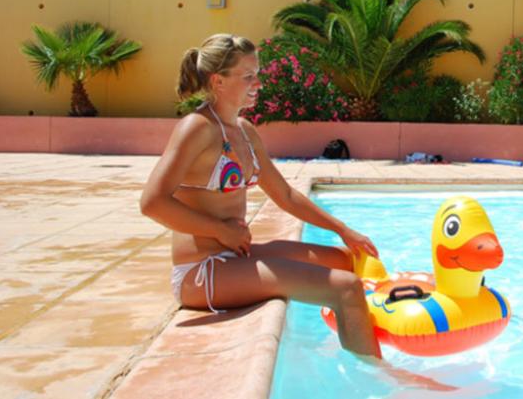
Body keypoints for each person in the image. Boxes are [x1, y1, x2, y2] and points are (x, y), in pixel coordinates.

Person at [139, 35, 381, 360]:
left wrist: (343, 230)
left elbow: (284, 194)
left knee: (346, 260)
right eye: (248, 76)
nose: (258, 83)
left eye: (257, 74)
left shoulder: (244, 130)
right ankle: (375, 382)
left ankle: (352, 340)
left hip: (238, 256)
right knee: (345, 287)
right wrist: (221, 230)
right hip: (202, 271)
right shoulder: (197, 128)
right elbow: (152, 202)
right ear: (218, 81)